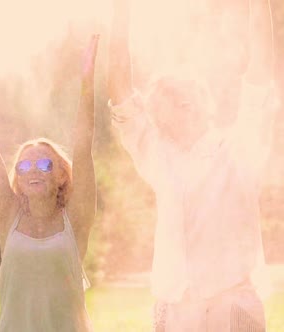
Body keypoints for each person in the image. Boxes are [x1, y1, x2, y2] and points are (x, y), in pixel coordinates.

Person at [107, 0, 278, 330]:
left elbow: (261, 66)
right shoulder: (156, 154)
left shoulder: (241, 146)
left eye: (163, 95)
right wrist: (121, 12)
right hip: (174, 312)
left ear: (191, 103)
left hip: (232, 310)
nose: (150, 103)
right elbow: (119, 88)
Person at [0, 34, 99, 331]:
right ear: (18, 180)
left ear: (62, 175)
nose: (33, 170)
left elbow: (83, 148)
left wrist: (87, 85)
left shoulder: (76, 219)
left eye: (45, 164)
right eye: (24, 165)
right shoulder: (9, 215)